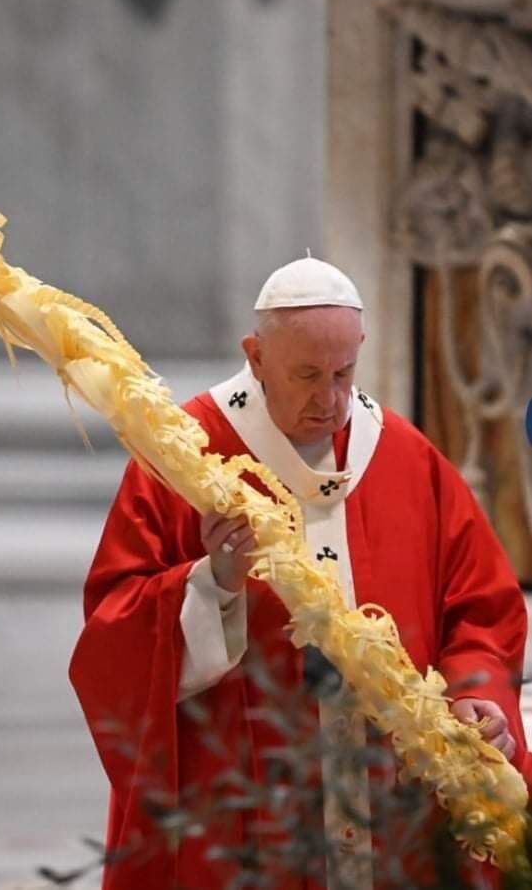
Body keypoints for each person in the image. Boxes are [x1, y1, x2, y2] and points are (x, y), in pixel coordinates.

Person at [69, 257, 530, 890]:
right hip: (247, 814)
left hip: (390, 809)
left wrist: (478, 695)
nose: (331, 400)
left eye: (344, 373)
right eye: (307, 376)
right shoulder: (184, 452)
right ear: (256, 357)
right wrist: (214, 582)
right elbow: (112, 635)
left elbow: (479, 612)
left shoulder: (402, 455)